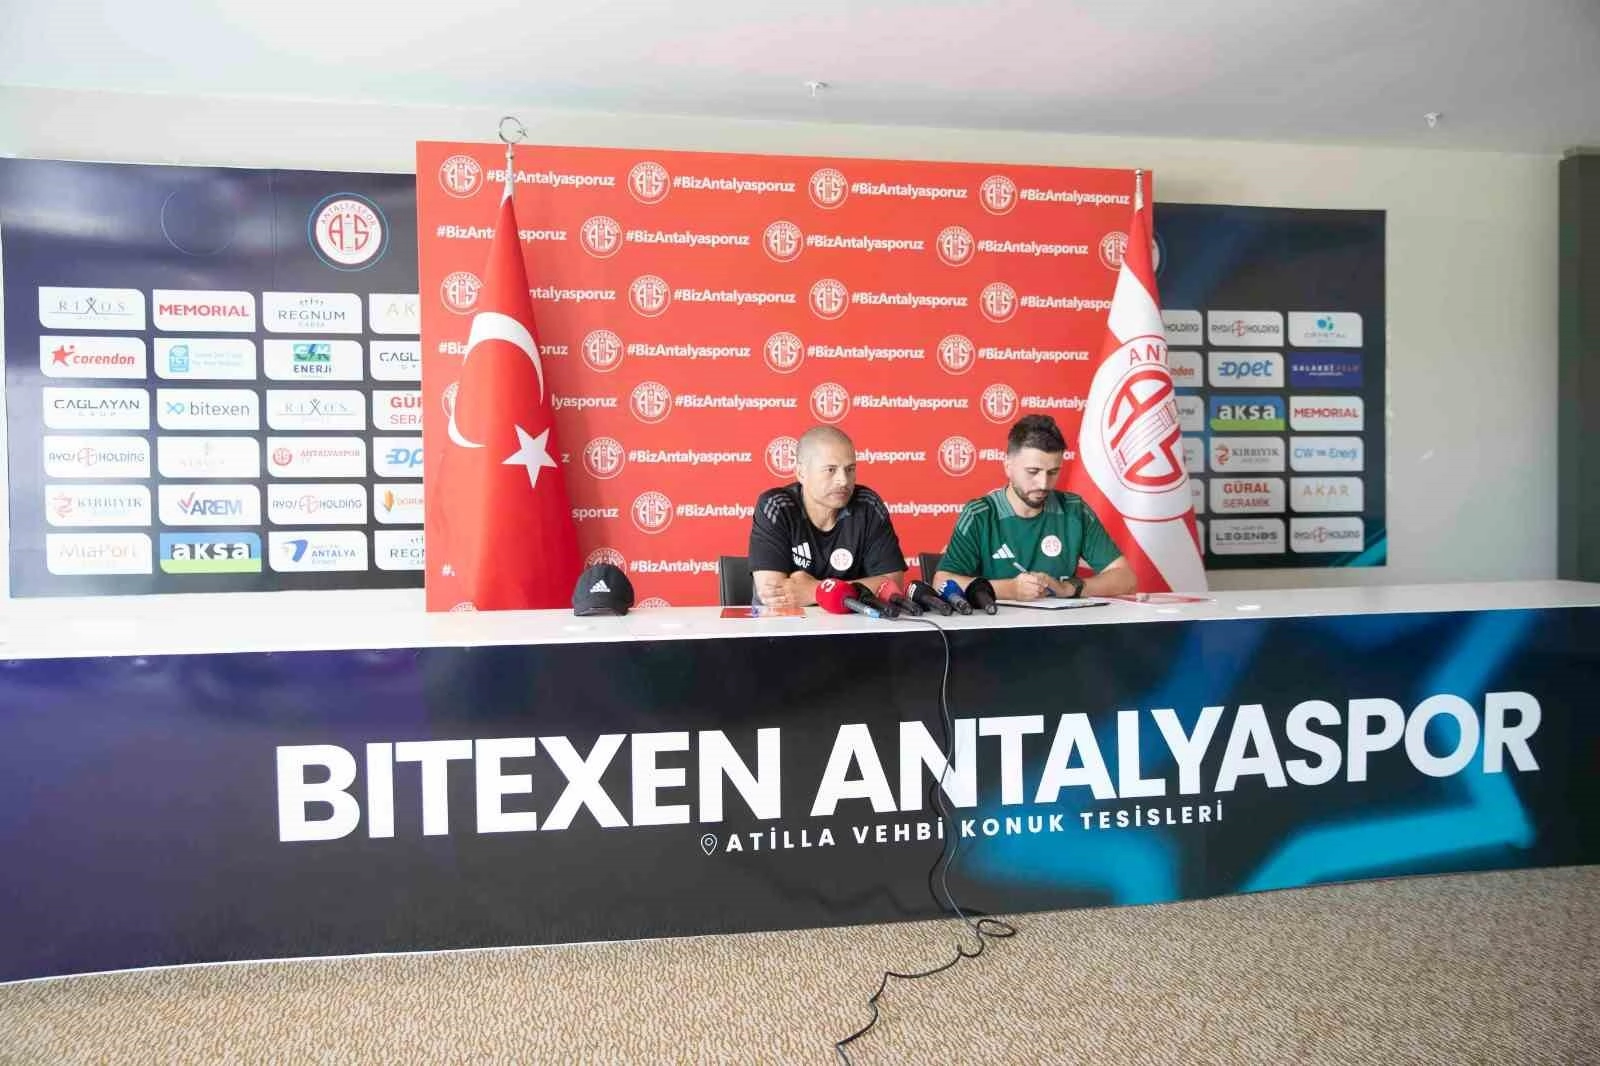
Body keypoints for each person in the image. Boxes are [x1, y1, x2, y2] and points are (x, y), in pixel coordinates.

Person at [934, 414, 1136, 600]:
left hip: (1062, 625)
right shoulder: (980, 514)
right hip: (996, 625)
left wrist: (1069, 588)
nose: (1043, 483)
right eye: (1033, 471)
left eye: (1053, 472)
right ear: (1008, 467)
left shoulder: (1074, 510)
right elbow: (941, 582)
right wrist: (1011, 589)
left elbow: (1126, 578)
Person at [748, 426, 906, 608]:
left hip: (849, 623)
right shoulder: (776, 506)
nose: (843, 481)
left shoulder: (868, 505)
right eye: (831, 470)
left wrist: (814, 591)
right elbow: (772, 594)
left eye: (850, 469)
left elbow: (893, 584)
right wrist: (855, 589)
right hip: (785, 623)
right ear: (801, 473)